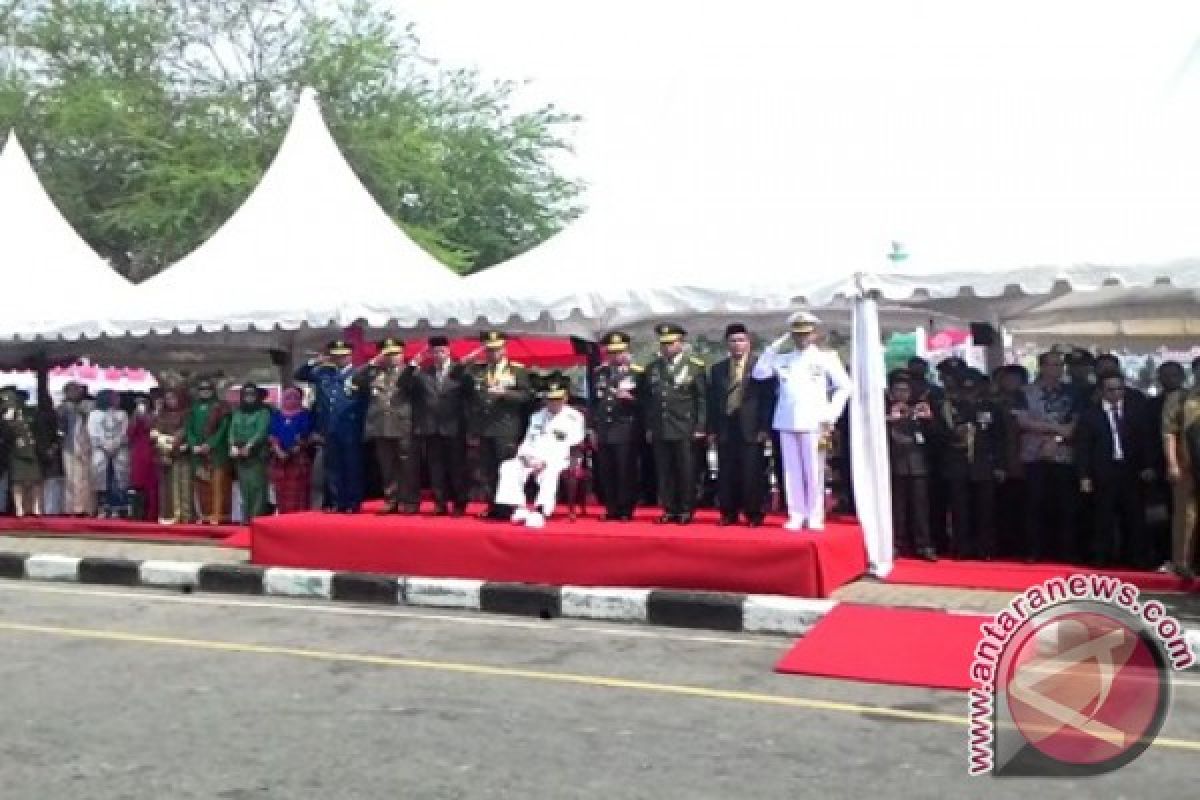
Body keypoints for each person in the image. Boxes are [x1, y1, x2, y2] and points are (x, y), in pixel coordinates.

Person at [752, 311, 851, 531]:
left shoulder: (826, 358)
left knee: (814, 470)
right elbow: (759, 373)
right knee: (791, 470)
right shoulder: (784, 359)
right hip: (787, 419)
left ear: (814, 334)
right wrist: (774, 347)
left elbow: (845, 386)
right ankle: (796, 513)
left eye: (806, 334)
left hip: (815, 420)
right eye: (796, 335)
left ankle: (815, 515)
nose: (801, 339)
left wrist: (831, 414)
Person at [1077, 372, 1153, 568]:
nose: (1116, 393)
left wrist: (1147, 466)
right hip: (1103, 471)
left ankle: (1136, 558)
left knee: (1134, 516)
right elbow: (1083, 448)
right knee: (1103, 517)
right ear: (1102, 391)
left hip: (1131, 471)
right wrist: (1084, 476)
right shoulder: (1090, 415)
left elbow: (1145, 442)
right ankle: (1101, 557)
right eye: (1110, 389)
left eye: (1119, 389)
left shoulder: (1135, 412)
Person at [494, 374, 586, 529]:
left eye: (558, 399)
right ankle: (519, 507)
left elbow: (574, 443)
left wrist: (545, 461)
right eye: (550, 399)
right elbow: (528, 440)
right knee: (508, 466)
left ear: (565, 399)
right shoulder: (536, 416)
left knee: (550, 473)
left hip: (559, 458)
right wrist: (525, 457)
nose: (554, 403)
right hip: (532, 457)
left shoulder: (574, 417)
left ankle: (541, 510)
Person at [1016, 351, 1082, 562]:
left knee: (1066, 506)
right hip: (1035, 455)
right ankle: (1034, 551)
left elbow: (1075, 424)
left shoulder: (1073, 392)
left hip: (1064, 455)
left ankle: (1066, 551)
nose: (1058, 369)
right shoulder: (1025, 392)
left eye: (1060, 365)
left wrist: (1058, 439)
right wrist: (1054, 429)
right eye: (1053, 365)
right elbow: (1023, 422)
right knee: (1035, 504)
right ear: (1042, 367)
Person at [641, 322, 707, 525]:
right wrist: (650, 427)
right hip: (661, 426)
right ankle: (669, 508)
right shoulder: (653, 368)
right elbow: (648, 400)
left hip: (684, 426)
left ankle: (686, 509)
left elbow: (702, 399)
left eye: (671, 343)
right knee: (665, 471)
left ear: (681, 343)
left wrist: (700, 426)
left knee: (685, 471)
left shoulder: (694, 366)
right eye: (663, 344)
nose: (666, 347)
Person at [706, 322, 771, 527]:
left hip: (751, 428)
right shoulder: (718, 369)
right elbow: (712, 401)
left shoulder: (760, 366)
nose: (737, 345)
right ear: (727, 344)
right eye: (733, 341)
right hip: (726, 427)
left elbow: (767, 399)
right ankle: (728, 512)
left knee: (752, 472)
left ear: (749, 343)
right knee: (726, 472)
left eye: (741, 340)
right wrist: (712, 429)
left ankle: (753, 513)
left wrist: (764, 428)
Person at [295, 340, 369, 513]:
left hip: (351, 428)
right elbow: (299, 374)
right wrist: (316, 361)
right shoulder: (323, 373)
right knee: (333, 467)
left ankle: (352, 503)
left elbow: (365, 402)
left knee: (351, 466)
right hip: (329, 428)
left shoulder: (358, 374)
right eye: (335, 356)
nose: (339, 359)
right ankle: (337, 502)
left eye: (342, 356)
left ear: (349, 356)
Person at [938, 369, 1005, 560]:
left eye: (973, 389)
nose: (969, 393)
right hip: (958, 465)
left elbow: (998, 438)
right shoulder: (949, 408)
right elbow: (940, 434)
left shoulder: (991, 408)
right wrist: (955, 433)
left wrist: (1000, 465)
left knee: (985, 511)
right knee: (960, 510)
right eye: (965, 389)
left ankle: (986, 549)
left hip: (984, 465)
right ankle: (962, 548)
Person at [467, 331, 532, 518]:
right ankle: (493, 506)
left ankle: (509, 506)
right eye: (489, 350)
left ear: (504, 349)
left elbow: (527, 396)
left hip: (506, 427)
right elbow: (458, 376)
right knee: (488, 470)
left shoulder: (516, 370)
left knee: (507, 468)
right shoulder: (479, 369)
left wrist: (505, 393)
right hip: (485, 427)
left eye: (496, 350)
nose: (492, 354)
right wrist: (470, 358)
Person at [406, 335, 471, 515]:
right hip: (431, 427)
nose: (438, 355)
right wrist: (412, 366)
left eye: (442, 351)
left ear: (448, 351)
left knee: (457, 467)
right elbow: (403, 385)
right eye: (435, 352)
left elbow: (471, 395)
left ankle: (459, 503)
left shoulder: (459, 371)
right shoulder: (424, 373)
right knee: (436, 469)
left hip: (454, 427)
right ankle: (440, 503)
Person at [358, 337, 419, 515]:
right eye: (388, 354)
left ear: (402, 354)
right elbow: (356, 380)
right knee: (387, 465)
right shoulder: (375, 373)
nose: (392, 357)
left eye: (395, 354)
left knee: (408, 465)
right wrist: (371, 363)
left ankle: (410, 500)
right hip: (381, 425)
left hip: (403, 424)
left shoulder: (410, 372)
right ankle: (391, 499)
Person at [588, 331, 643, 521]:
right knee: (607, 470)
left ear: (627, 352)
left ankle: (626, 509)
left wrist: (631, 398)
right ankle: (611, 507)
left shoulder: (636, 373)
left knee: (625, 470)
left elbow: (646, 402)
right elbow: (593, 403)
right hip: (604, 428)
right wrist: (592, 429)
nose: (615, 356)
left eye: (619, 352)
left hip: (625, 428)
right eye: (611, 352)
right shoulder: (599, 372)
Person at [885, 372, 937, 561]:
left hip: (918, 465)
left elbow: (935, 437)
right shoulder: (885, 411)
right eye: (898, 390)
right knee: (897, 508)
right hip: (895, 464)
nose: (902, 394)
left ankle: (924, 545)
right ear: (890, 392)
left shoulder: (918, 411)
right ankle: (897, 544)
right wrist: (890, 418)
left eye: (905, 390)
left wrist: (928, 419)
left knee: (920, 508)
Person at [1146, 361, 1186, 569]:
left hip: (1188, 467)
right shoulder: (1152, 405)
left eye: (1174, 375)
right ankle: (1161, 556)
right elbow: (1147, 437)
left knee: (1185, 516)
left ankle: (1185, 558)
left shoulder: (1190, 402)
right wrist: (1149, 465)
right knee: (1159, 517)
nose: (1169, 379)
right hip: (1158, 469)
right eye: (1165, 375)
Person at [1162, 378, 1200, 580]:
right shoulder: (1181, 399)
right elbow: (1169, 433)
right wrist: (1172, 463)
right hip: (1188, 466)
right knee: (1186, 517)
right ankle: (1182, 563)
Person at [992, 364, 1030, 558]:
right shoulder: (994, 403)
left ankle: (1024, 547)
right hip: (1005, 462)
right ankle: (1005, 547)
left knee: (1027, 509)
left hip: (1029, 461)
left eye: (1015, 379)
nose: (1011, 383)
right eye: (1007, 379)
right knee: (1004, 509)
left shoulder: (1030, 401)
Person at [185, 378, 232, 524]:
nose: (205, 392)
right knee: (202, 485)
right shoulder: (193, 408)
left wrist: (210, 444)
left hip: (216, 452)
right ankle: (204, 514)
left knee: (218, 484)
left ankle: (218, 514)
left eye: (207, 389)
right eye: (202, 390)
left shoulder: (220, 407)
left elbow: (224, 428)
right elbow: (189, 428)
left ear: (212, 391)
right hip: (198, 453)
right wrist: (193, 444)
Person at [229, 383, 272, 521]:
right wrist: (232, 445)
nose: (249, 397)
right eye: (246, 394)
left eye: (252, 394)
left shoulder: (263, 412)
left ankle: (257, 519)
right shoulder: (237, 412)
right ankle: (247, 519)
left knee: (257, 488)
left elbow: (262, 431)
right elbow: (231, 430)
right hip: (240, 456)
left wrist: (249, 446)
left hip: (257, 455)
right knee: (245, 488)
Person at [269, 387, 315, 514]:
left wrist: (295, 449)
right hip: (279, 459)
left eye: (296, 398)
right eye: (288, 397)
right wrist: (278, 451)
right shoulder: (277, 415)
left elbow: (305, 434)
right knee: (281, 491)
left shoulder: (304, 414)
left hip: (298, 457)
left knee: (299, 492)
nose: (292, 400)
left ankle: (299, 521)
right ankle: (283, 517)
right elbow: (272, 434)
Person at [151, 386, 192, 524]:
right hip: (166, 455)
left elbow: (185, 431)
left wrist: (173, 444)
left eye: (173, 398)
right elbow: (154, 434)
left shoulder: (186, 414)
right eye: (168, 398)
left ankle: (186, 516)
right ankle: (169, 516)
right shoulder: (162, 415)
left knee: (184, 484)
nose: (171, 401)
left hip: (182, 452)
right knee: (168, 486)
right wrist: (164, 446)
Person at [88, 389, 131, 517]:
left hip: (119, 449)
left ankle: (119, 507)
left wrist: (116, 444)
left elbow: (125, 432)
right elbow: (93, 433)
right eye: (115, 397)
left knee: (120, 476)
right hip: (101, 449)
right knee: (101, 476)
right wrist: (105, 446)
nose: (118, 400)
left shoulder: (122, 414)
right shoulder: (94, 414)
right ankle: (102, 507)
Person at [2, 388, 43, 517]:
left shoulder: (31, 411)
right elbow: (5, 434)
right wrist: (7, 419)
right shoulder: (5, 416)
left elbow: (37, 429)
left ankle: (35, 507)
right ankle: (19, 508)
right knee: (17, 480)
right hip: (16, 450)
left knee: (35, 479)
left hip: (31, 448)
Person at [57, 381, 94, 516]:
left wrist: (78, 409)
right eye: (70, 391)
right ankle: (71, 508)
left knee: (85, 478)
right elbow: (60, 427)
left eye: (76, 390)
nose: (73, 393)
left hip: (86, 445)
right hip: (69, 445)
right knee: (71, 478)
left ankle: (86, 508)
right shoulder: (62, 407)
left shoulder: (89, 405)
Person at [127, 394, 159, 520]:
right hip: (138, 452)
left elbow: (152, 427)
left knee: (151, 484)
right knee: (137, 484)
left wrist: (145, 416)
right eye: (139, 402)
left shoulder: (154, 415)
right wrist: (135, 416)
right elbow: (129, 432)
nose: (141, 404)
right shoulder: (134, 416)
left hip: (151, 450)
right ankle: (138, 513)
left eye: (144, 402)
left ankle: (151, 513)